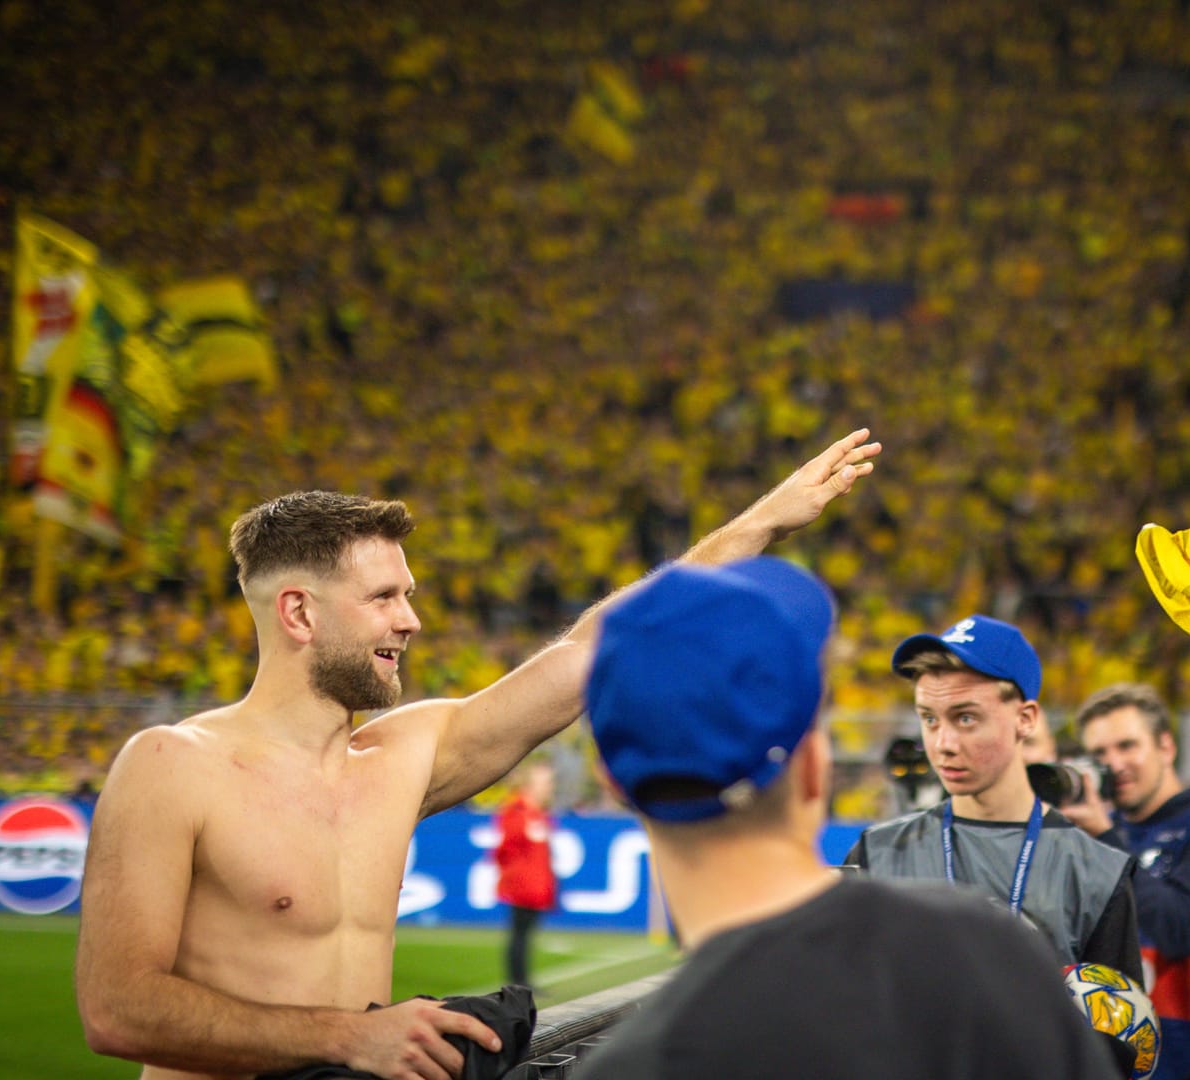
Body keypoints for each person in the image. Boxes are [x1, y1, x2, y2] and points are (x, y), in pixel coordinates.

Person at [74, 429, 880, 1080]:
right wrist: (348, 1039)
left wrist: (756, 526)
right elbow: (117, 1009)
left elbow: (593, 646)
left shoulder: (406, 753)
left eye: (409, 595)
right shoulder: (172, 765)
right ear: (298, 613)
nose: (411, 621)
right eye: (385, 598)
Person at [573, 558, 1120, 1080]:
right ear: (815, 768)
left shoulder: (630, 1066)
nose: (944, 742)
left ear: (612, 782)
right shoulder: (988, 949)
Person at [844, 615, 1142, 983]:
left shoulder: (1097, 874)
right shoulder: (877, 852)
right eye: (929, 719)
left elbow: (1119, 1032)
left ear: (1026, 719)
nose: (942, 745)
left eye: (966, 718)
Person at [1061, 684, 1190, 1080]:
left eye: (1127, 746)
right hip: (1118, 1057)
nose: (1114, 764)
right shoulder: (1105, 830)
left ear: (1166, 748)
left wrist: (1104, 841)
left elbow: (1180, 928)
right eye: (1099, 754)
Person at [493, 760, 558, 989]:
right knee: (519, 935)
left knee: (525, 935)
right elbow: (504, 850)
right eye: (546, 782)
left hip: (537, 886)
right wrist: (514, 878)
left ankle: (523, 980)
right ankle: (518, 982)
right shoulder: (517, 811)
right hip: (522, 887)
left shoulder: (537, 813)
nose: (550, 787)